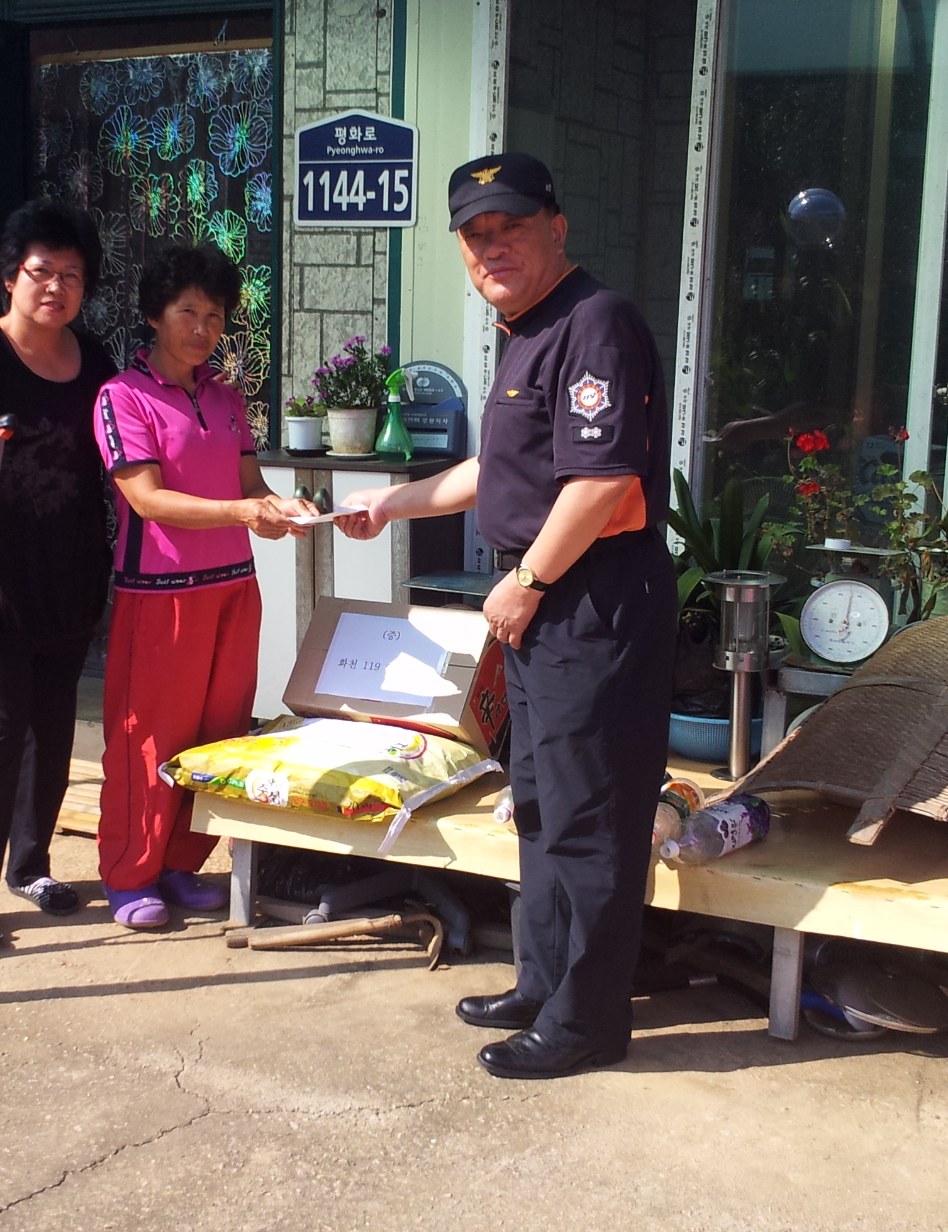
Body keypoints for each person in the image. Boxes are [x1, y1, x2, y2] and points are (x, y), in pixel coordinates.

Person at [337, 153, 675, 1079]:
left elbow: (603, 484)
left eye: (511, 227)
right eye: (476, 234)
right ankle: (545, 982)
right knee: (541, 804)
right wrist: (393, 504)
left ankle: (588, 1020)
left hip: (591, 602)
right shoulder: (529, 331)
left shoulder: (595, 323)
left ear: (556, 228)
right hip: (548, 606)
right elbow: (503, 469)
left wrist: (526, 577)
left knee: (590, 817)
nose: (493, 247)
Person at [94, 243, 318, 930]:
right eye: (187, 312)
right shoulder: (122, 396)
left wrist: (281, 509)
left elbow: (251, 484)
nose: (202, 328)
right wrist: (243, 512)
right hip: (161, 595)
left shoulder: (225, 397)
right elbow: (147, 500)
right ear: (154, 315)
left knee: (219, 733)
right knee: (149, 738)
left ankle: (180, 864)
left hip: (234, 588)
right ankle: (130, 873)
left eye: (214, 315)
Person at [0, 200, 118, 950]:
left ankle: (30, 864)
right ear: (12, 276)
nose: (56, 287)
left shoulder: (92, 359)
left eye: (73, 275)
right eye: (43, 272)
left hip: (69, 573)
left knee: (52, 726)